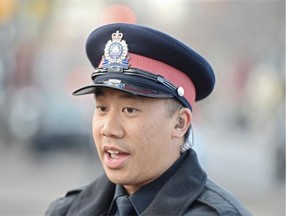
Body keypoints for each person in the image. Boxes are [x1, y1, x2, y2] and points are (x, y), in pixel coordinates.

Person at [45, 23, 252, 216]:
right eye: (102, 108)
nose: (109, 129)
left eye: (129, 110)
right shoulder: (67, 210)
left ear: (180, 123)